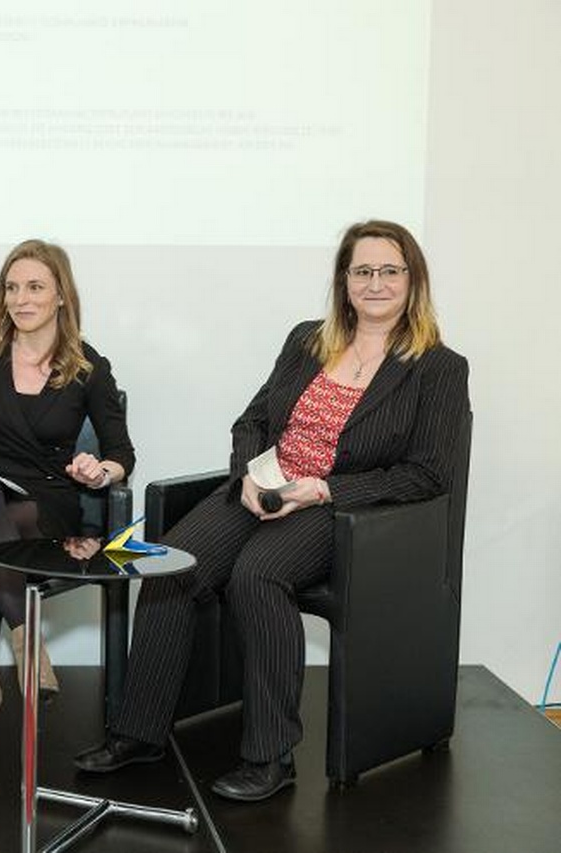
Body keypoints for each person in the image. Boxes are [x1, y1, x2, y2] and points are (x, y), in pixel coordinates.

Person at [74, 220, 470, 802]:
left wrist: (323, 491)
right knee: (167, 565)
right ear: (345, 280)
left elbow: (428, 474)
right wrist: (245, 480)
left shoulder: (438, 366)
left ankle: (270, 755)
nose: (376, 283)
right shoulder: (308, 340)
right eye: (363, 270)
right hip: (265, 484)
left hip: (336, 507)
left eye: (390, 270)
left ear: (414, 280)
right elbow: (253, 420)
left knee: (255, 576)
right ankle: (139, 733)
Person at [0, 238, 135, 751]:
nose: (21, 298)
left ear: (61, 294)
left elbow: (121, 454)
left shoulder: (89, 367)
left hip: (45, 504)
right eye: (12, 287)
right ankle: (29, 646)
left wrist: (98, 472)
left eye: (35, 286)